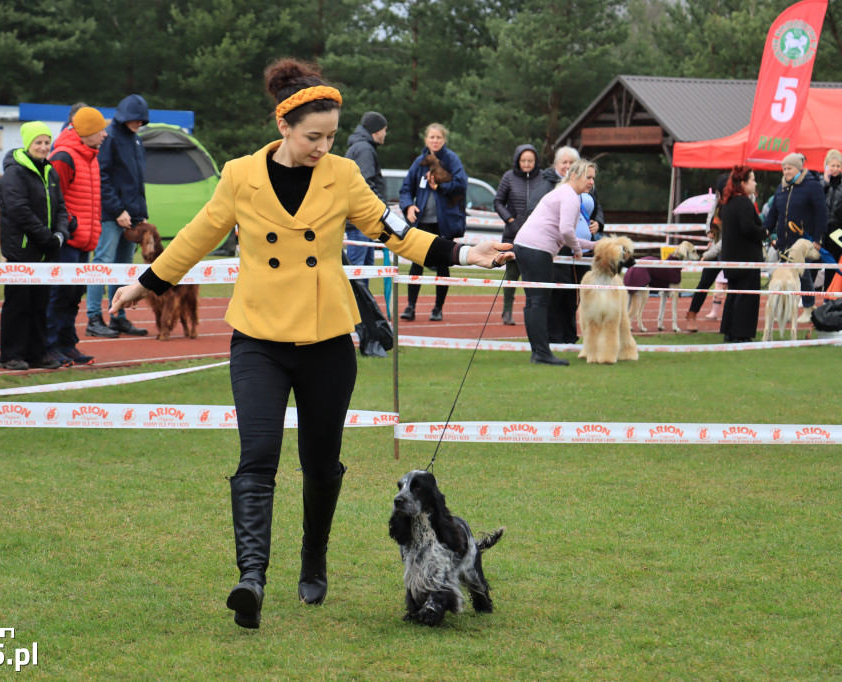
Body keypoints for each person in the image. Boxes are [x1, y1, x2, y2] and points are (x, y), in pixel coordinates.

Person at [108, 58, 512, 630]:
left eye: (331, 135)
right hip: (258, 339)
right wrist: (143, 283)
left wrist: (463, 252)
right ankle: (251, 578)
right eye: (313, 136)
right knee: (258, 456)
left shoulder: (345, 176)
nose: (324, 146)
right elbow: (199, 235)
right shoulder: (238, 175)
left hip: (326, 342)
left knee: (320, 464)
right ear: (284, 127)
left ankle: (313, 554)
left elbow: (393, 232)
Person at [0, 121, 70, 371]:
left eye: (47, 142)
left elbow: (61, 206)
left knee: (40, 303)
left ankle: (37, 352)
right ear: (28, 144)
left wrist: (61, 233)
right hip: (22, 249)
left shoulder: (50, 171)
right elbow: (19, 210)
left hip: (46, 250)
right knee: (18, 304)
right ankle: (10, 354)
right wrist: (46, 237)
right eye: (38, 142)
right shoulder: (14, 172)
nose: (43, 147)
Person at [512, 159, 598, 366]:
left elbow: (570, 234)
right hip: (536, 250)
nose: (591, 182)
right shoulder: (570, 196)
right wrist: (578, 250)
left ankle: (538, 352)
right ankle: (541, 352)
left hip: (526, 246)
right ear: (575, 176)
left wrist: (597, 247)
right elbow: (567, 231)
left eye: (593, 178)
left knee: (534, 302)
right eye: (588, 177)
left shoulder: (564, 193)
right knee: (539, 302)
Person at [45, 106, 109, 366]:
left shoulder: (90, 155)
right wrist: (69, 225)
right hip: (68, 240)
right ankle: (48, 346)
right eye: (100, 130)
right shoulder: (64, 156)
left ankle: (66, 344)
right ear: (87, 132)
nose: (105, 134)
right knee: (58, 293)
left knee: (73, 295)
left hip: (84, 240)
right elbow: (52, 198)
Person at [85, 94, 150, 338]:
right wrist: (117, 210)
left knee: (124, 269)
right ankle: (93, 317)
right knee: (102, 264)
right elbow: (101, 177)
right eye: (135, 119)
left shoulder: (136, 140)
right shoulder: (109, 138)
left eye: (142, 120)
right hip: (112, 216)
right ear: (124, 117)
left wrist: (140, 214)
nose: (139, 123)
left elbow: (138, 182)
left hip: (132, 217)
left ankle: (117, 317)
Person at [398, 123, 468, 322]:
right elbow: (405, 189)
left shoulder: (452, 160)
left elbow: (461, 186)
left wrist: (440, 186)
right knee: (416, 263)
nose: (435, 141)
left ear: (444, 139)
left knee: (442, 265)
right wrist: (408, 206)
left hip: (444, 224)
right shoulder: (420, 162)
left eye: (438, 137)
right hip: (422, 222)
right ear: (426, 140)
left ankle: (438, 308)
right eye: (432, 137)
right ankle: (410, 307)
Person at [763, 152, 829, 323]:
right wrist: (764, 230)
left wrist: (818, 238)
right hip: (784, 242)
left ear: (798, 168)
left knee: (803, 275)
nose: (786, 171)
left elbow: (821, 212)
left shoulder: (812, 186)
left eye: (789, 168)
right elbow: (773, 214)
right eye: (784, 168)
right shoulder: (781, 188)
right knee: (785, 276)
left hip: (804, 241)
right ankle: (785, 307)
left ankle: (808, 307)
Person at [493, 144, 543, 325]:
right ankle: (507, 311)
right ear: (517, 160)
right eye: (523, 160)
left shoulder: (544, 178)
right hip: (512, 234)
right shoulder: (509, 177)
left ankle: (532, 312)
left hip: (537, 235)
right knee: (511, 274)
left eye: (530, 160)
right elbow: (498, 202)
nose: (527, 163)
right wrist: (510, 220)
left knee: (533, 276)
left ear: (536, 161)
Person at [719, 166, 766, 343]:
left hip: (732, 257)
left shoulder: (728, 203)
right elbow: (747, 228)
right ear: (743, 183)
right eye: (752, 179)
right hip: (746, 258)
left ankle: (729, 331)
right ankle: (741, 333)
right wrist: (764, 232)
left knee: (734, 294)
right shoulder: (745, 202)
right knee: (746, 296)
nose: (755, 183)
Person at [343, 111, 388, 284]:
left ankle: (364, 311)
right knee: (357, 273)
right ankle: (355, 310)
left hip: (362, 221)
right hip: (359, 220)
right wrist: (383, 211)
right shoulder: (364, 149)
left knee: (366, 270)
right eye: (384, 130)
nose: (385, 134)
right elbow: (366, 183)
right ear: (376, 131)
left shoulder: (363, 147)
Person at [685, 172, 729, 331]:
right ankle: (691, 315)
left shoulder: (737, 202)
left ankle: (729, 322)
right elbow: (710, 218)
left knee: (733, 286)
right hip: (716, 248)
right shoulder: (717, 202)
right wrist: (708, 230)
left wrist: (707, 254)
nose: (720, 195)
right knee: (704, 283)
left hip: (728, 250)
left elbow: (729, 238)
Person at [821, 149, 842, 290]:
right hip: (824, 231)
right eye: (832, 166)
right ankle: (827, 299)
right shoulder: (822, 184)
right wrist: (826, 182)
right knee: (826, 267)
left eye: (838, 166)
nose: (835, 169)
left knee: (838, 265)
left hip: (838, 231)